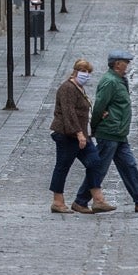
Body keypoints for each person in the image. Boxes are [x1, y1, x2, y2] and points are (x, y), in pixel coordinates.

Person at [72, 50, 138, 214]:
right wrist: (95, 127)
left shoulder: (119, 80)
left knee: (129, 166)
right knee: (99, 168)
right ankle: (81, 200)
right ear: (117, 64)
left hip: (119, 134)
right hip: (109, 132)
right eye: (125, 62)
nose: (127, 65)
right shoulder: (110, 82)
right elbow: (99, 105)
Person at [49, 59, 114, 214]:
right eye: (83, 71)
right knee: (62, 167)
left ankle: (96, 201)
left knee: (94, 162)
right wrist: (79, 133)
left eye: (88, 72)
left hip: (81, 135)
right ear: (75, 71)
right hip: (66, 135)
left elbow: (81, 111)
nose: (86, 74)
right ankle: (57, 202)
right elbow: (68, 113)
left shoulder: (79, 88)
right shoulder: (67, 88)